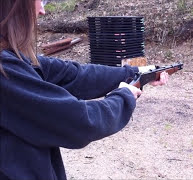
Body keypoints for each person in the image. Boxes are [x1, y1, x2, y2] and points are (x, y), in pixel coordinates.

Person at [0, 0, 169, 179]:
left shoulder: (13, 59)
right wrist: (124, 96)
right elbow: (78, 122)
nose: (42, 10)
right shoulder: (6, 69)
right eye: (40, 1)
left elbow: (75, 75)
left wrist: (138, 72)